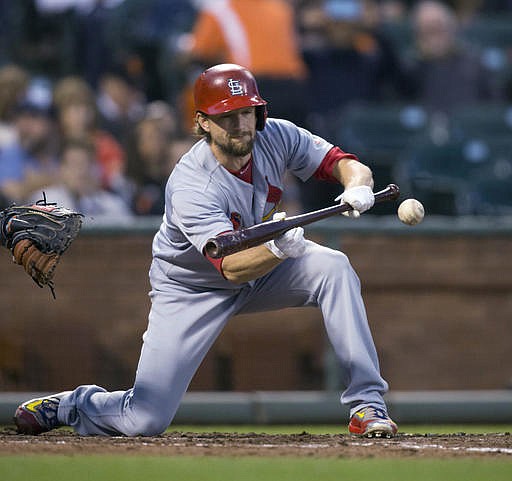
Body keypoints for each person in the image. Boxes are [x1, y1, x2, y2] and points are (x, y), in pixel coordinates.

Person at [14, 63, 397, 439]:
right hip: (191, 288)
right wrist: (279, 250)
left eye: (246, 113)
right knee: (144, 419)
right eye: (226, 116)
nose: (240, 124)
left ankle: (367, 403)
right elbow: (230, 268)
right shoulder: (191, 182)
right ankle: (77, 404)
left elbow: (342, 163)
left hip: (262, 267)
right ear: (202, 123)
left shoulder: (277, 136)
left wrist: (356, 184)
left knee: (334, 267)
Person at [26, 138, 132, 222]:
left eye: (85, 164)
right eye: (74, 164)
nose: (80, 171)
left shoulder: (112, 204)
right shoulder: (44, 200)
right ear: (62, 169)